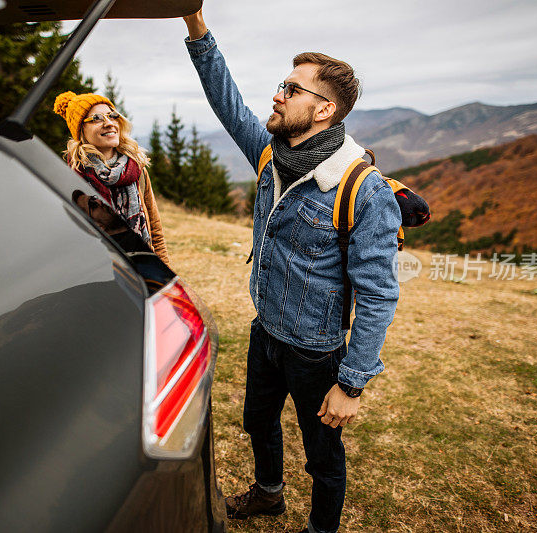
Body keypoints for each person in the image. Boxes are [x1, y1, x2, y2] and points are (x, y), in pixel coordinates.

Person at [183, 10, 401, 533]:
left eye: (292, 88)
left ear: (323, 108)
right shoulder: (270, 157)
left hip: (317, 350)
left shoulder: (362, 189)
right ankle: (269, 494)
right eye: (283, 84)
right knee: (257, 422)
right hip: (268, 330)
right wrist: (194, 20)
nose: (278, 95)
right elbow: (225, 99)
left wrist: (351, 383)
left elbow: (377, 295)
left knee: (322, 455)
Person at [54, 91, 170, 265]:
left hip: (144, 264)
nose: (109, 123)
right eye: (96, 119)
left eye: (112, 116)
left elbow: (155, 229)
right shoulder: (73, 178)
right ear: (81, 130)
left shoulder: (136, 169)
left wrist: (164, 270)